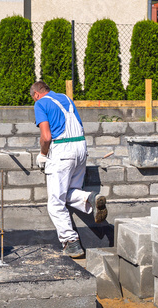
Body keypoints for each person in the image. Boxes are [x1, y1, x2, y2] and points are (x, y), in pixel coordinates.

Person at [31, 80, 107, 258]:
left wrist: (43, 154)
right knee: (70, 191)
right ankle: (90, 198)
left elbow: (46, 136)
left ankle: (70, 242)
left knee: (55, 202)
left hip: (62, 151)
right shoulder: (66, 98)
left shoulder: (41, 103)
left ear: (36, 94)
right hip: (80, 148)